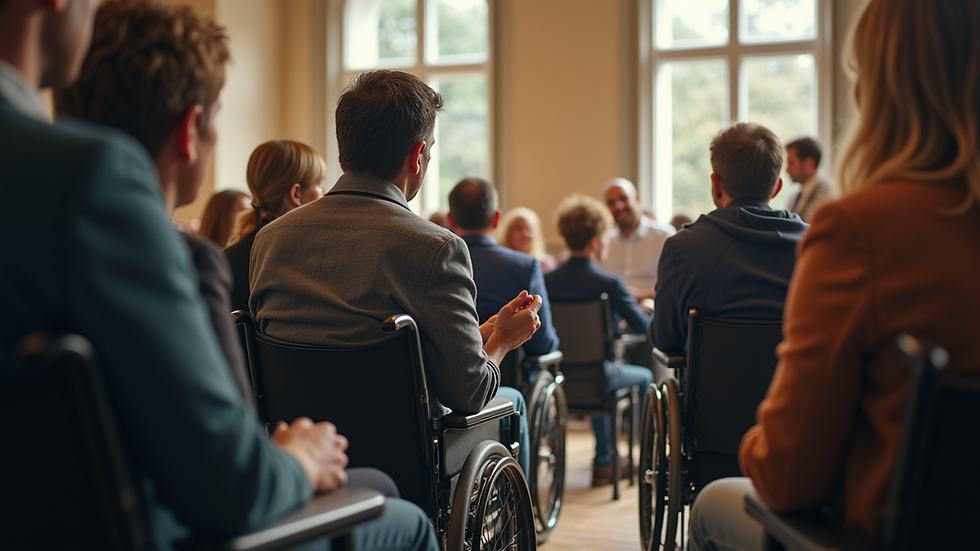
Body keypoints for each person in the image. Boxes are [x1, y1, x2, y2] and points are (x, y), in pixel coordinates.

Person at [1, 1, 436, 550]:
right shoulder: (94, 182)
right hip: (157, 527)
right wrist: (296, 459)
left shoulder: (263, 245)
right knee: (407, 518)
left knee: (374, 486)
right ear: (191, 132)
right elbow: (226, 483)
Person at [688, 1, 980, 550]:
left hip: (876, 533)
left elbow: (788, 476)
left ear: (876, 90)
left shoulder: (859, 231)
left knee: (709, 505)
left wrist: (754, 441)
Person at [248, 70, 541, 475]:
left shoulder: (270, 239)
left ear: (344, 148)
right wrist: (504, 341)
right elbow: (469, 393)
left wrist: (484, 333)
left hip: (298, 448)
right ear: (417, 155)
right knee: (513, 400)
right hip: (404, 457)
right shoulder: (435, 248)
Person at [650, 122, 807, 354]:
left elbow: (665, 339)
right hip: (798, 388)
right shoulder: (815, 244)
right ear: (776, 188)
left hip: (711, 391)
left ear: (716, 185)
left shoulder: (683, 247)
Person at [544, 194, 654, 487]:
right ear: (594, 240)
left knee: (599, 369)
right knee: (641, 377)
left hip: (560, 379)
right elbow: (643, 326)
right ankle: (638, 459)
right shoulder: (609, 283)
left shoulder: (547, 281)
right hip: (600, 379)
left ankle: (604, 460)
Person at [448, 178, 559, 366]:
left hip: (450, 379)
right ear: (497, 218)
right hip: (508, 381)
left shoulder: (438, 263)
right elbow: (543, 344)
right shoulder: (525, 266)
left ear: (450, 220)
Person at [224, 139, 326, 313]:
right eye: (319, 184)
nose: (324, 193)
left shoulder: (226, 260)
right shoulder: (312, 261)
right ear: (296, 194)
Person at [598, 177, 675, 302]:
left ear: (637, 199)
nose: (618, 206)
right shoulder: (605, 241)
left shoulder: (663, 236)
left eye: (623, 198)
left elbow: (674, 286)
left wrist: (641, 296)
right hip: (613, 312)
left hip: (653, 310)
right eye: (611, 203)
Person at [784, 137, 832, 223]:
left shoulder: (829, 196)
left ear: (808, 164)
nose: (787, 169)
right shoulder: (794, 196)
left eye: (791, 163)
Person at [498, 206, 558, 272]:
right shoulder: (499, 261)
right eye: (519, 228)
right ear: (508, 232)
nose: (525, 234)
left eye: (528, 229)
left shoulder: (544, 263)